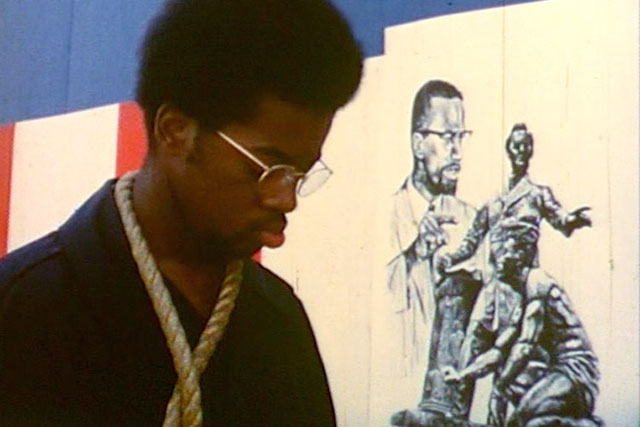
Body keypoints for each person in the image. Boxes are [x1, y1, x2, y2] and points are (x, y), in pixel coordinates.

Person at [0, 0, 362, 425]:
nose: (286, 201)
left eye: (299, 175)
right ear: (175, 130)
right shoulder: (22, 310)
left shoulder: (279, 324)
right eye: (268, 169)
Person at [388, 80, 482, 425]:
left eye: (461, 137)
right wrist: (414, 255)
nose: (457, 152)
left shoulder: (473, 221)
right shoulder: (387, 216)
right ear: (418, 144)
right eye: (447, 137)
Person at [442, 222, 600, 427]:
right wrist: (463, 375)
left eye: (505, 251)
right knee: (518, 402)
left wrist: (498, 390)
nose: (498, 259)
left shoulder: (537, 281)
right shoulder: (522, 297)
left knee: (519, 418)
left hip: (574, 372)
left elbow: (525, 347)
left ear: (522, 254)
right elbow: (498, 351)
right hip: (556, 372)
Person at [437, 123, 592, 277]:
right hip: (495, 280)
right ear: (508, 150)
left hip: (525, 278)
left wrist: (573, 219)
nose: (522, 151)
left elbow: (561, 219)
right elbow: (471, 241)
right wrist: (450, 259)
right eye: (517, 146)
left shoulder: (538, 194)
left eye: (526, 146)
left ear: (531, 151)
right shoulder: (492, 202)